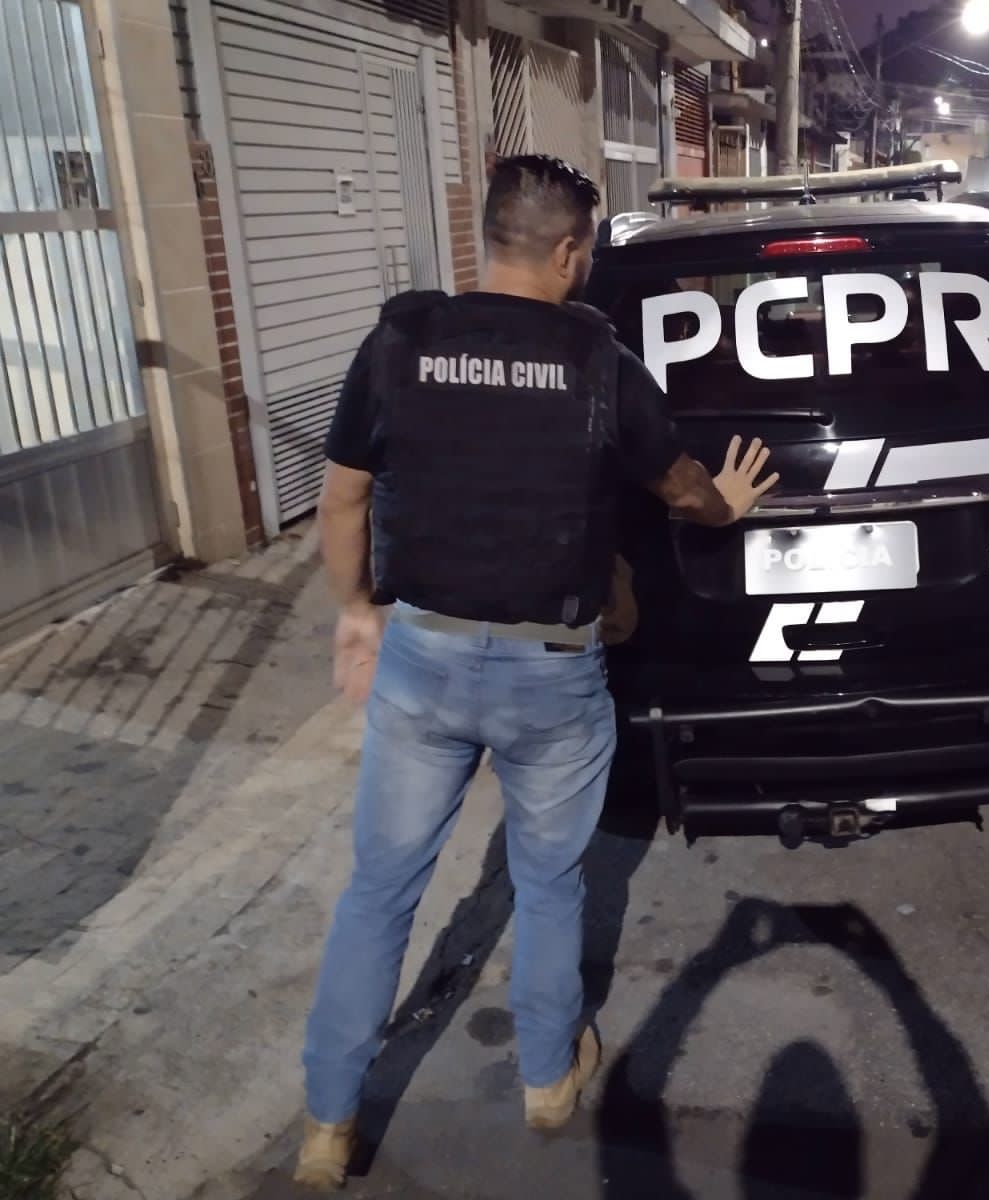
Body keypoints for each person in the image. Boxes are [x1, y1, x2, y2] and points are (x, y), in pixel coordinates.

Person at [293, 154, 777, 1190]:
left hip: (423, 656)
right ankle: (548, 1079)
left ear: (489, 237)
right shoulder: (598, 360)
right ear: (565, 252)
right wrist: (726, 504)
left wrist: (356, 614)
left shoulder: (399, 342)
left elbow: (342, 498)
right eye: (587, 251)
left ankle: (328, 1123)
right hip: (550, 672)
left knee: (379, 891)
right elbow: (679, 485)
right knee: (550, 881)